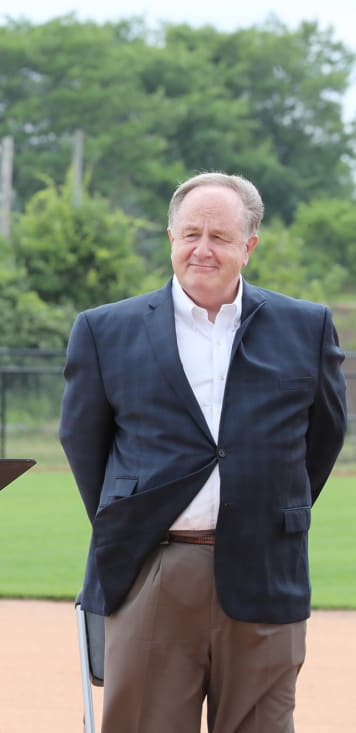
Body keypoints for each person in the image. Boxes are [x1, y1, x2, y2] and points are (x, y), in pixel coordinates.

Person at [59, 172, 347, 732]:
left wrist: (267, 504)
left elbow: (324, 438)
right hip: (152, 566)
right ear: (170, 236)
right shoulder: (103, 331)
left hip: (266, 568)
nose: (202, 249)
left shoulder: (306, 327)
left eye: (220, 236)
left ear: (249, 246)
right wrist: (134, 518)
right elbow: (83, 443)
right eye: (190, 233)